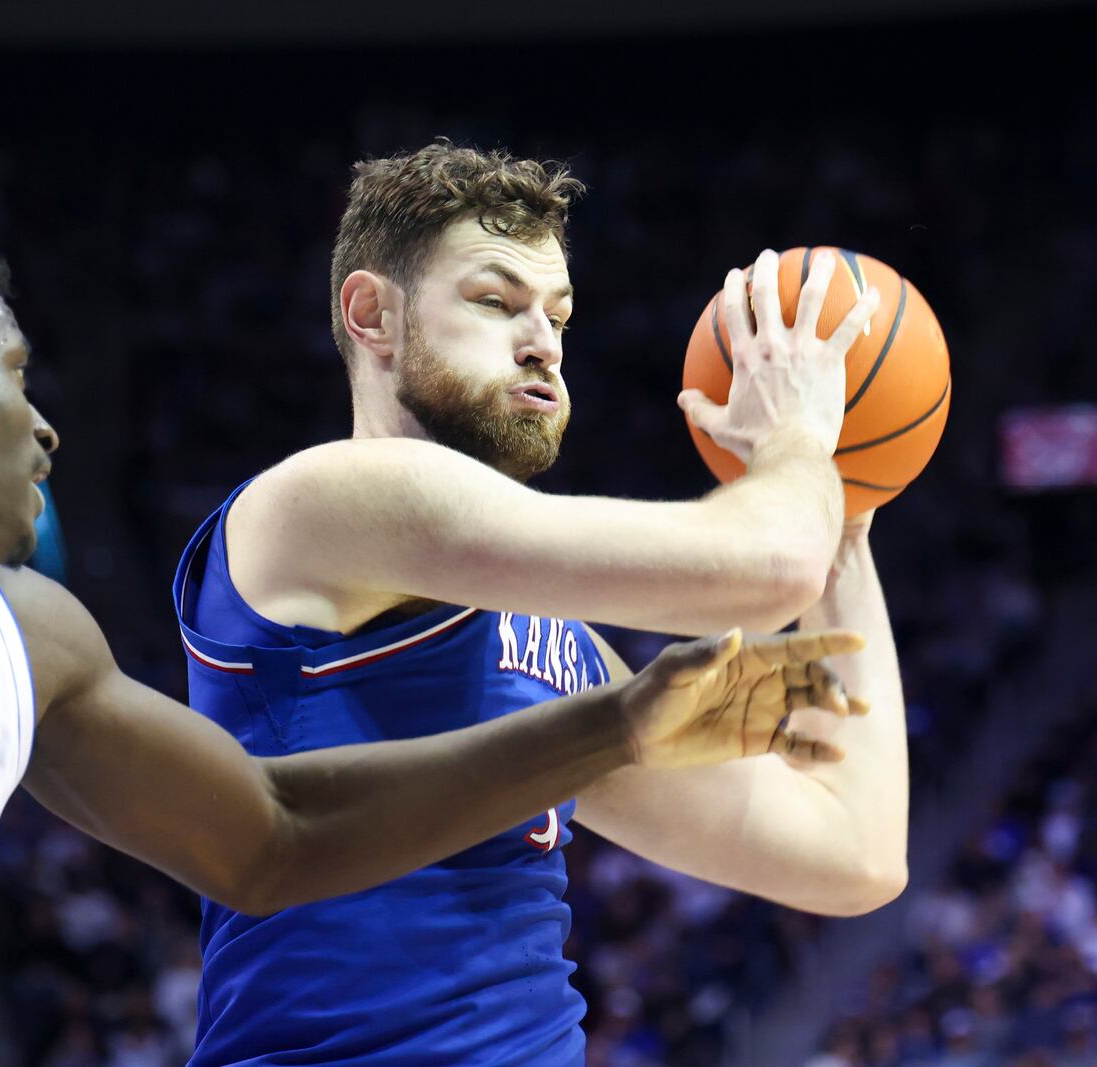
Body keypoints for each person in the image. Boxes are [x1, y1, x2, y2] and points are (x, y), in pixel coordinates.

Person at [0, 213, 862, 1066]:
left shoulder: (25, 644)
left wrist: (617, 723)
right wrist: (803, 455)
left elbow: (270, 832)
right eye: (19, 379)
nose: (48, 429)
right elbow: (758, 562)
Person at [171, 143, 910, 1064]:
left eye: (559, 316)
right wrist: (798, 430)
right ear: (373, 316)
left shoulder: (563, 658)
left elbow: (854, 855)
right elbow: (767, 570)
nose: (544, 343)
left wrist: (847, 509)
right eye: (495, 301)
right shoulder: (322, 504)